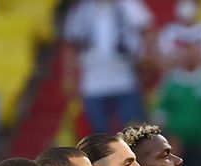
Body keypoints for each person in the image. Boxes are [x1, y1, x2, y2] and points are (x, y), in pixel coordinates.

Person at [62, 0, 154, 134]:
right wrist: (69, 75)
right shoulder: (82, 10)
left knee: (134, 132)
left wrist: (146, 55)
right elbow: (71, 45)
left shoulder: (129, 5)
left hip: (125, 78)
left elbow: (148, 30)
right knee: (100, 135)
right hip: (93, 82)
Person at [156, 0, 201, 71]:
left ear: (199, 6)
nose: (186, 4)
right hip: (177, 76)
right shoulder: (168, 31)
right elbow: (165, 57)